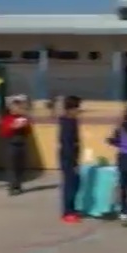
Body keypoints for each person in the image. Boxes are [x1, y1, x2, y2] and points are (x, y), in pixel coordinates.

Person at [58, 95, 83, 223]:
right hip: (68, 158)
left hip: (73, 156)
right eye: (77, 108)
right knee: (70, 184)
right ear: (70, 109)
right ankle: (67, 211)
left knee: (76, 182)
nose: (79, 111)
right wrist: (72, 161)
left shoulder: (73, 120)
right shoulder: (67, 123)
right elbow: (67, 143)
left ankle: (72, 208)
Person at [0, 97, 31, 196]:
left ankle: (18, 184)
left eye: (20, 107)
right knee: (12, 166)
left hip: (21, 143)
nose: (19, 109)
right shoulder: (7, 119)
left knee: (20, 166)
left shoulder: (23, 118)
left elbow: (28, 132)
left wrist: (26, 126)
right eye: (17, 107)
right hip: (11, 144)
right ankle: (12, 186)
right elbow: (3, 132)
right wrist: (12, 127)